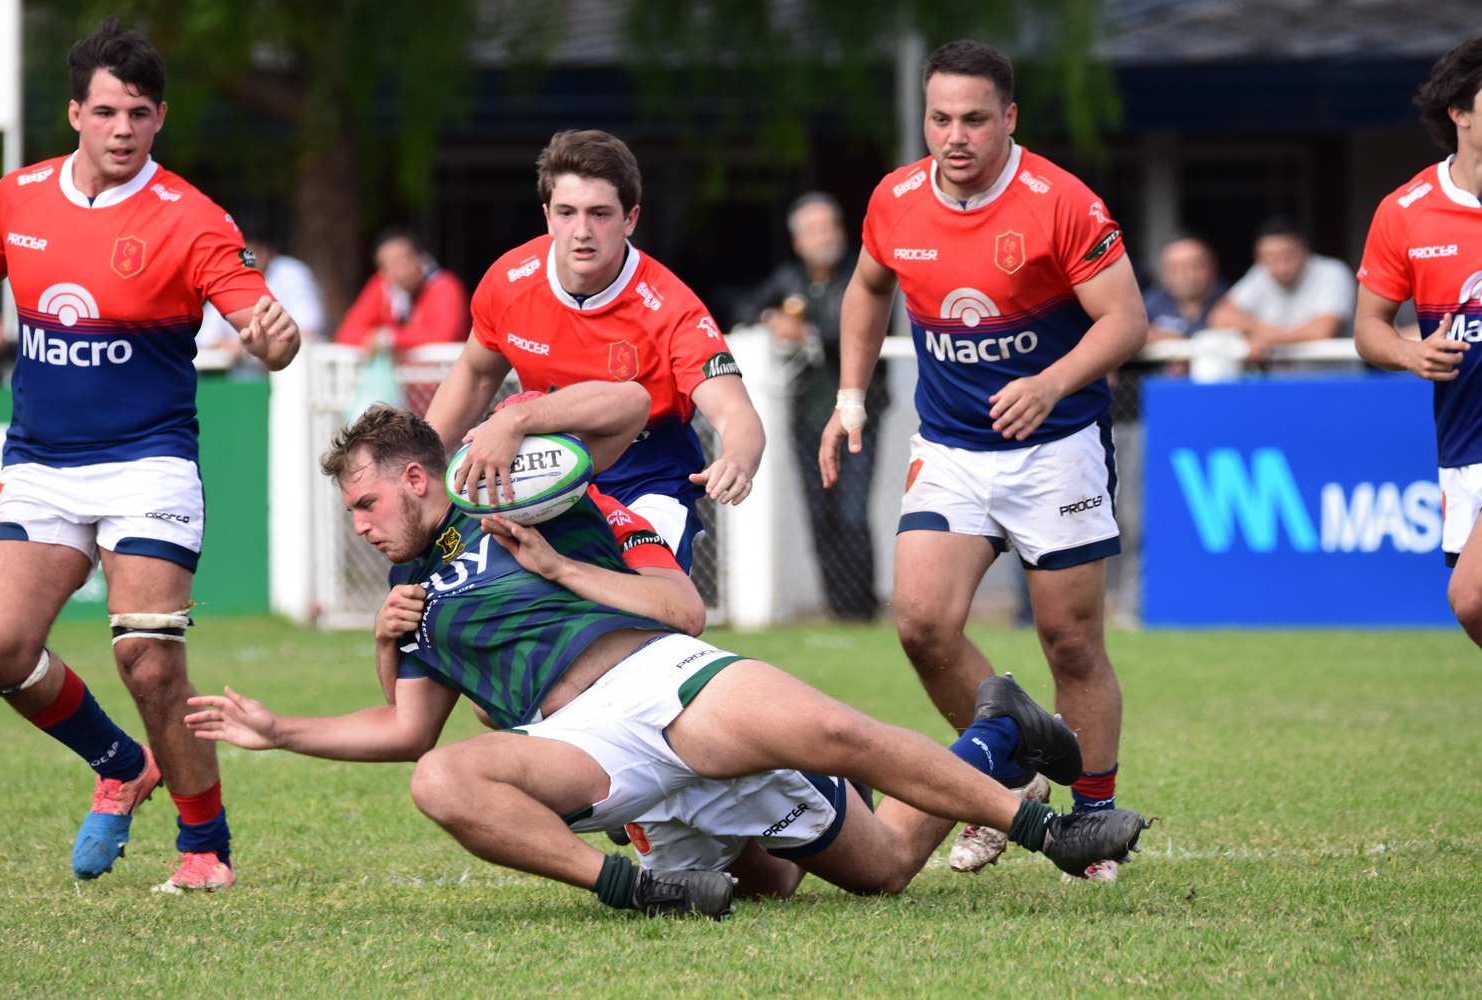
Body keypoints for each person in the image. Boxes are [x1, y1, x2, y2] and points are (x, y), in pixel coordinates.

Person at [184, 402, 1150, 917]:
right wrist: (288, 725)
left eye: (365, 505)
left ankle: (1043, 825)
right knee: (444, 780)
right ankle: (633, 885)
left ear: (413, 478)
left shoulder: (540, 501)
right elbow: (404, 731)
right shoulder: (416, 606)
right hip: (588, 750)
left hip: (661, 676)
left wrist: (555, 552)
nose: (359, 527)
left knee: (843, 751)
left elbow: (680, 605)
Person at [819, 40, 1148, 881]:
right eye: (939, 118)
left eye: (973, 119)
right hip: (952, 447)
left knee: (1069, 642)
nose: (954, 136)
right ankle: (1008, 768)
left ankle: (1094, 815)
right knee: (923, 622)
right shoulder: (896, 198)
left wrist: (1053, 380)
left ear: (1008, 119)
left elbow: (1125, 322)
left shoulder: (1062, 203)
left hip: (1056, 450)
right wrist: (850, 399)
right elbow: (866, 287)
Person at [0, 17, 299, 891]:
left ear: (160, 119)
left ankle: (205, 848)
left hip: (148, 463)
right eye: (109, 111)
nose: (124, 130)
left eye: (142, 114)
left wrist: (275, 338)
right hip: (40, 461)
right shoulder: (16, 199)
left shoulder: (191, 218)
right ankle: (120, 763)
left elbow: (268, 334)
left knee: (149, 657)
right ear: (76, 113)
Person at [425, 130, 765, 572]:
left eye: (600, 214)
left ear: (630, 219)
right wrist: (421, 463)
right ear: (547, 216)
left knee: (643, 606)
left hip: (646, 481)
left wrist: (737, 459)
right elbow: (475, 374)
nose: (581, 231)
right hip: (542, 473)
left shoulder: (671, 308)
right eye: (567, 212)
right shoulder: (509, 281)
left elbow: (736, 413)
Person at [1355, 35, 1482, 644]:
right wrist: (1410, 351)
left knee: (1473, 594)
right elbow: (1368, 329)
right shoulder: (1405, 211)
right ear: (1459, 111)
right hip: (1463, 443)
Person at [738, 193, 888, 619]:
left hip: (858, 413)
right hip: (805, 416)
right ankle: (839, 610)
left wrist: (804, 332)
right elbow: (744, 306)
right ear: (798, 241)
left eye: (832, 225)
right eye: (816, 228)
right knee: (819, 514)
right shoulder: (788, 278)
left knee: (852, 513)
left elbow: (857, 329)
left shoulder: (862, 274)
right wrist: (771, 320)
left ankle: (862, 611)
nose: (828, 235)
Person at [1208, 216, 1356, 363]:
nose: (1280, 267)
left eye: (1287, 256)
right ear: (1258, 257)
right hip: (1280, 380)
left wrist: (1271, 339)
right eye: (1270, 258)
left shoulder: (1333, 272)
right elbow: (1219, 317)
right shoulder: (1260, 274)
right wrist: (1261, 328)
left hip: (1333, 379)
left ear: (1304, 250)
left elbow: (1322, 330)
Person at [197, 224, 327, 371]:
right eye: (235, 253)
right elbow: (203, 339)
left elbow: (308, 329)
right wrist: (232, 345)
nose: (241, 260)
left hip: (295, 369)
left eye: (248, 253)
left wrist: (260, 346)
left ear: (267, 251)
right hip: (238, 371)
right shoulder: (226, 276)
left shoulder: (291, 273)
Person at [333, 226, 469, 356]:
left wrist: (390, 339)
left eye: (404, 260)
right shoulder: (382, 286)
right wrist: (377, 338)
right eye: (389, 264)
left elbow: (444, 336)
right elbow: (346, 333)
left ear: (421, 257)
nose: (400, 271)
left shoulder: (445, 286)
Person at [1144, 235, 1226, 342]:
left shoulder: (1233, 299)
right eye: (1176, 269)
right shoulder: (1150, 302)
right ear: (1164, 272)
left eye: (1196, 266)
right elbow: (1129, 329)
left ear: (1213, 266)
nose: (1188, 276)